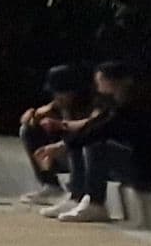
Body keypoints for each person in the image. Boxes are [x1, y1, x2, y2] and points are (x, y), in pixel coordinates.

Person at [52, 58, 151, 223]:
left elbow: (104, 129)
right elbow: (96, 124)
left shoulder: (137, 105)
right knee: (82, 140)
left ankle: (95, 203)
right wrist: (63, 143)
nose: (98, 82)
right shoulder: (117, 103)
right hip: (142, 166)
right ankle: (77, 196)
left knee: (95, 144)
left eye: (103, 78)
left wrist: (65, 145)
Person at [15, 64, 98, 206]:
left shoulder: (90, 104)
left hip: (88, 157)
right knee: (27, 131)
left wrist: (60, 126)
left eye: (62, 93)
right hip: (65, 156)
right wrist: (32, 117)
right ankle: (51, 185)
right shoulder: (58, 105)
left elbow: (88, 128)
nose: (57, 97)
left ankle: (76, 194)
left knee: (75, 139)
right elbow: (32, 119)